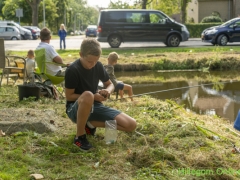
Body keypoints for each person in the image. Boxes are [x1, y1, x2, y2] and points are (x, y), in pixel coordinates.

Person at [65, 38, 137, 151]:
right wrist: (93, 96)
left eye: (96, 61)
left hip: (96, 106)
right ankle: (79, 137)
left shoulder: (97, 65)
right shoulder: (73, 70)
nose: (93, 65)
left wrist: (107, 91)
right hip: (75, 109)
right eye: (89, 61)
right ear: (81, 55)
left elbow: (111, 84)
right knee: (88, 95)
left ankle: (90, 124)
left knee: (131, 124)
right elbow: (69, 96)